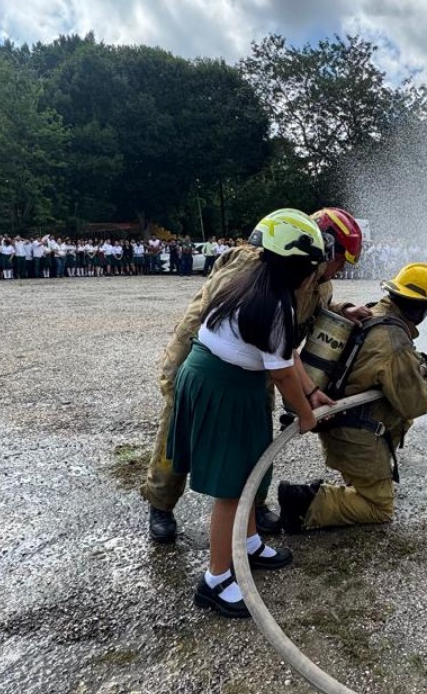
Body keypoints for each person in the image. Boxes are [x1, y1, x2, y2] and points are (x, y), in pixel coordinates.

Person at [141, 207, 370, 543]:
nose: (339, 270)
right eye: (340, 261)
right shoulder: (254, 264)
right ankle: (161, 503)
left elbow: (303, 325)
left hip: (261, 367)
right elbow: (211, 316)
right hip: (205, 359)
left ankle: (254, 503)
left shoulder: (321, 286)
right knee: (179, 430)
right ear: (324, 247)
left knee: (255, 437)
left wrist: (343, 311)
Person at [166, 208, 327, 618]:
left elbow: (286, 355)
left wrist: (312, 393)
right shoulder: (275, 304)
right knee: (232, 489)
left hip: (230, 383)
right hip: (223, 387)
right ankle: (216, 580)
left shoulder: (253, 282)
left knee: (251, 468)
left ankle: (248, 543)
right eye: (314, 266)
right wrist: (306, 416)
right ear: (300, 268)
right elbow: (284, 377)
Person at [277, 262, 427, 533]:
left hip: (339, 423)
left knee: (371, 487)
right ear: (419, 308)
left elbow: (386, 369)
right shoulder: (393, 339)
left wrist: (425, 362)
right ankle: (304, 504)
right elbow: (415, 402)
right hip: (355, 436)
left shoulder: (373, 313)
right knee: (378, 507)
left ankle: (356, 481)